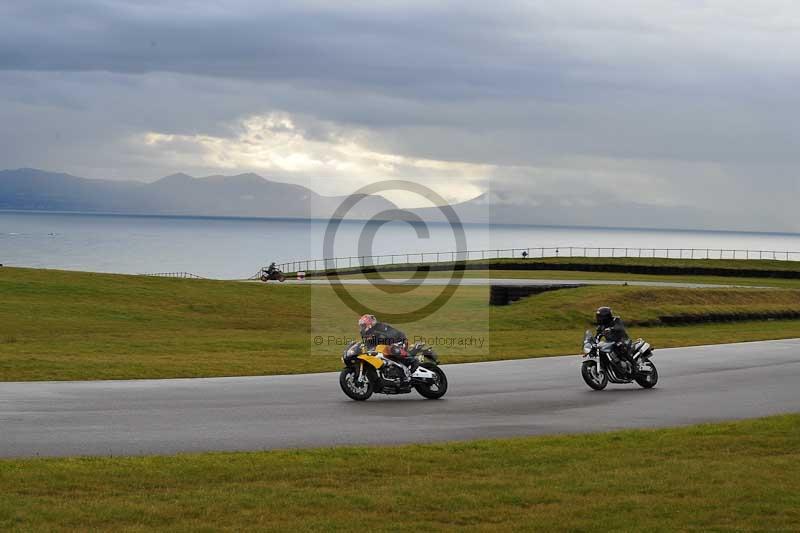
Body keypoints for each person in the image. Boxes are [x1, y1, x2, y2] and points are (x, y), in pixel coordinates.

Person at [595, 306, 635, 372]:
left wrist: (612, 328)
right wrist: (594, 343)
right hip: (611, 343)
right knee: (601, 349)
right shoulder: (601, 326)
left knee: (620, 346)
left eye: (600, 317)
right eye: (598, 316)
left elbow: (620, 327)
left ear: (606, 316)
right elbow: (597, 336)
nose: (598, 318)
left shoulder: (616, 320)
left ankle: (634, 365)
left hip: (623, 340)